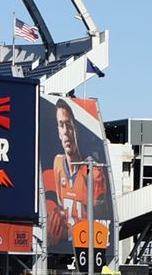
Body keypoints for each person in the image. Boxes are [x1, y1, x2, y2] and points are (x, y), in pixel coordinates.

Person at [45, 97, 111, 247]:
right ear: (58, 131)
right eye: (61, 125)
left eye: (69, 125)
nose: (66, 132)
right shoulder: (57, 163)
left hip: (85, 245)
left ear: (76, 130)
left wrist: (71, 232)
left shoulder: (91, 170)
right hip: (63, 246)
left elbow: (103, 225)